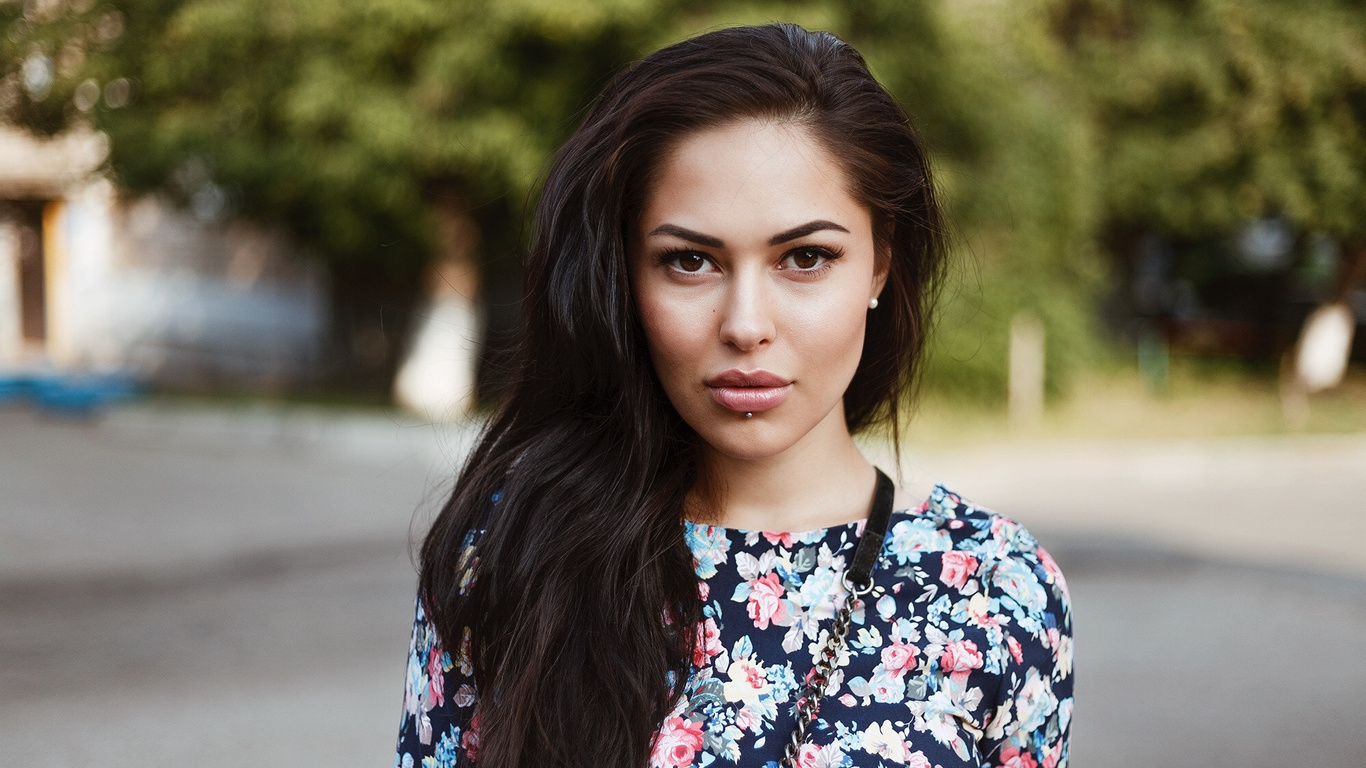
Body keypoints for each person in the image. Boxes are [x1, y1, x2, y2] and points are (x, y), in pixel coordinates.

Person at [396, 22, 1073, 768]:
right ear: (625, 276)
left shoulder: (995, 590)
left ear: (880, 264)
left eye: (806, 257)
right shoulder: (510, 554)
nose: (746, 325)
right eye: (689, 261)